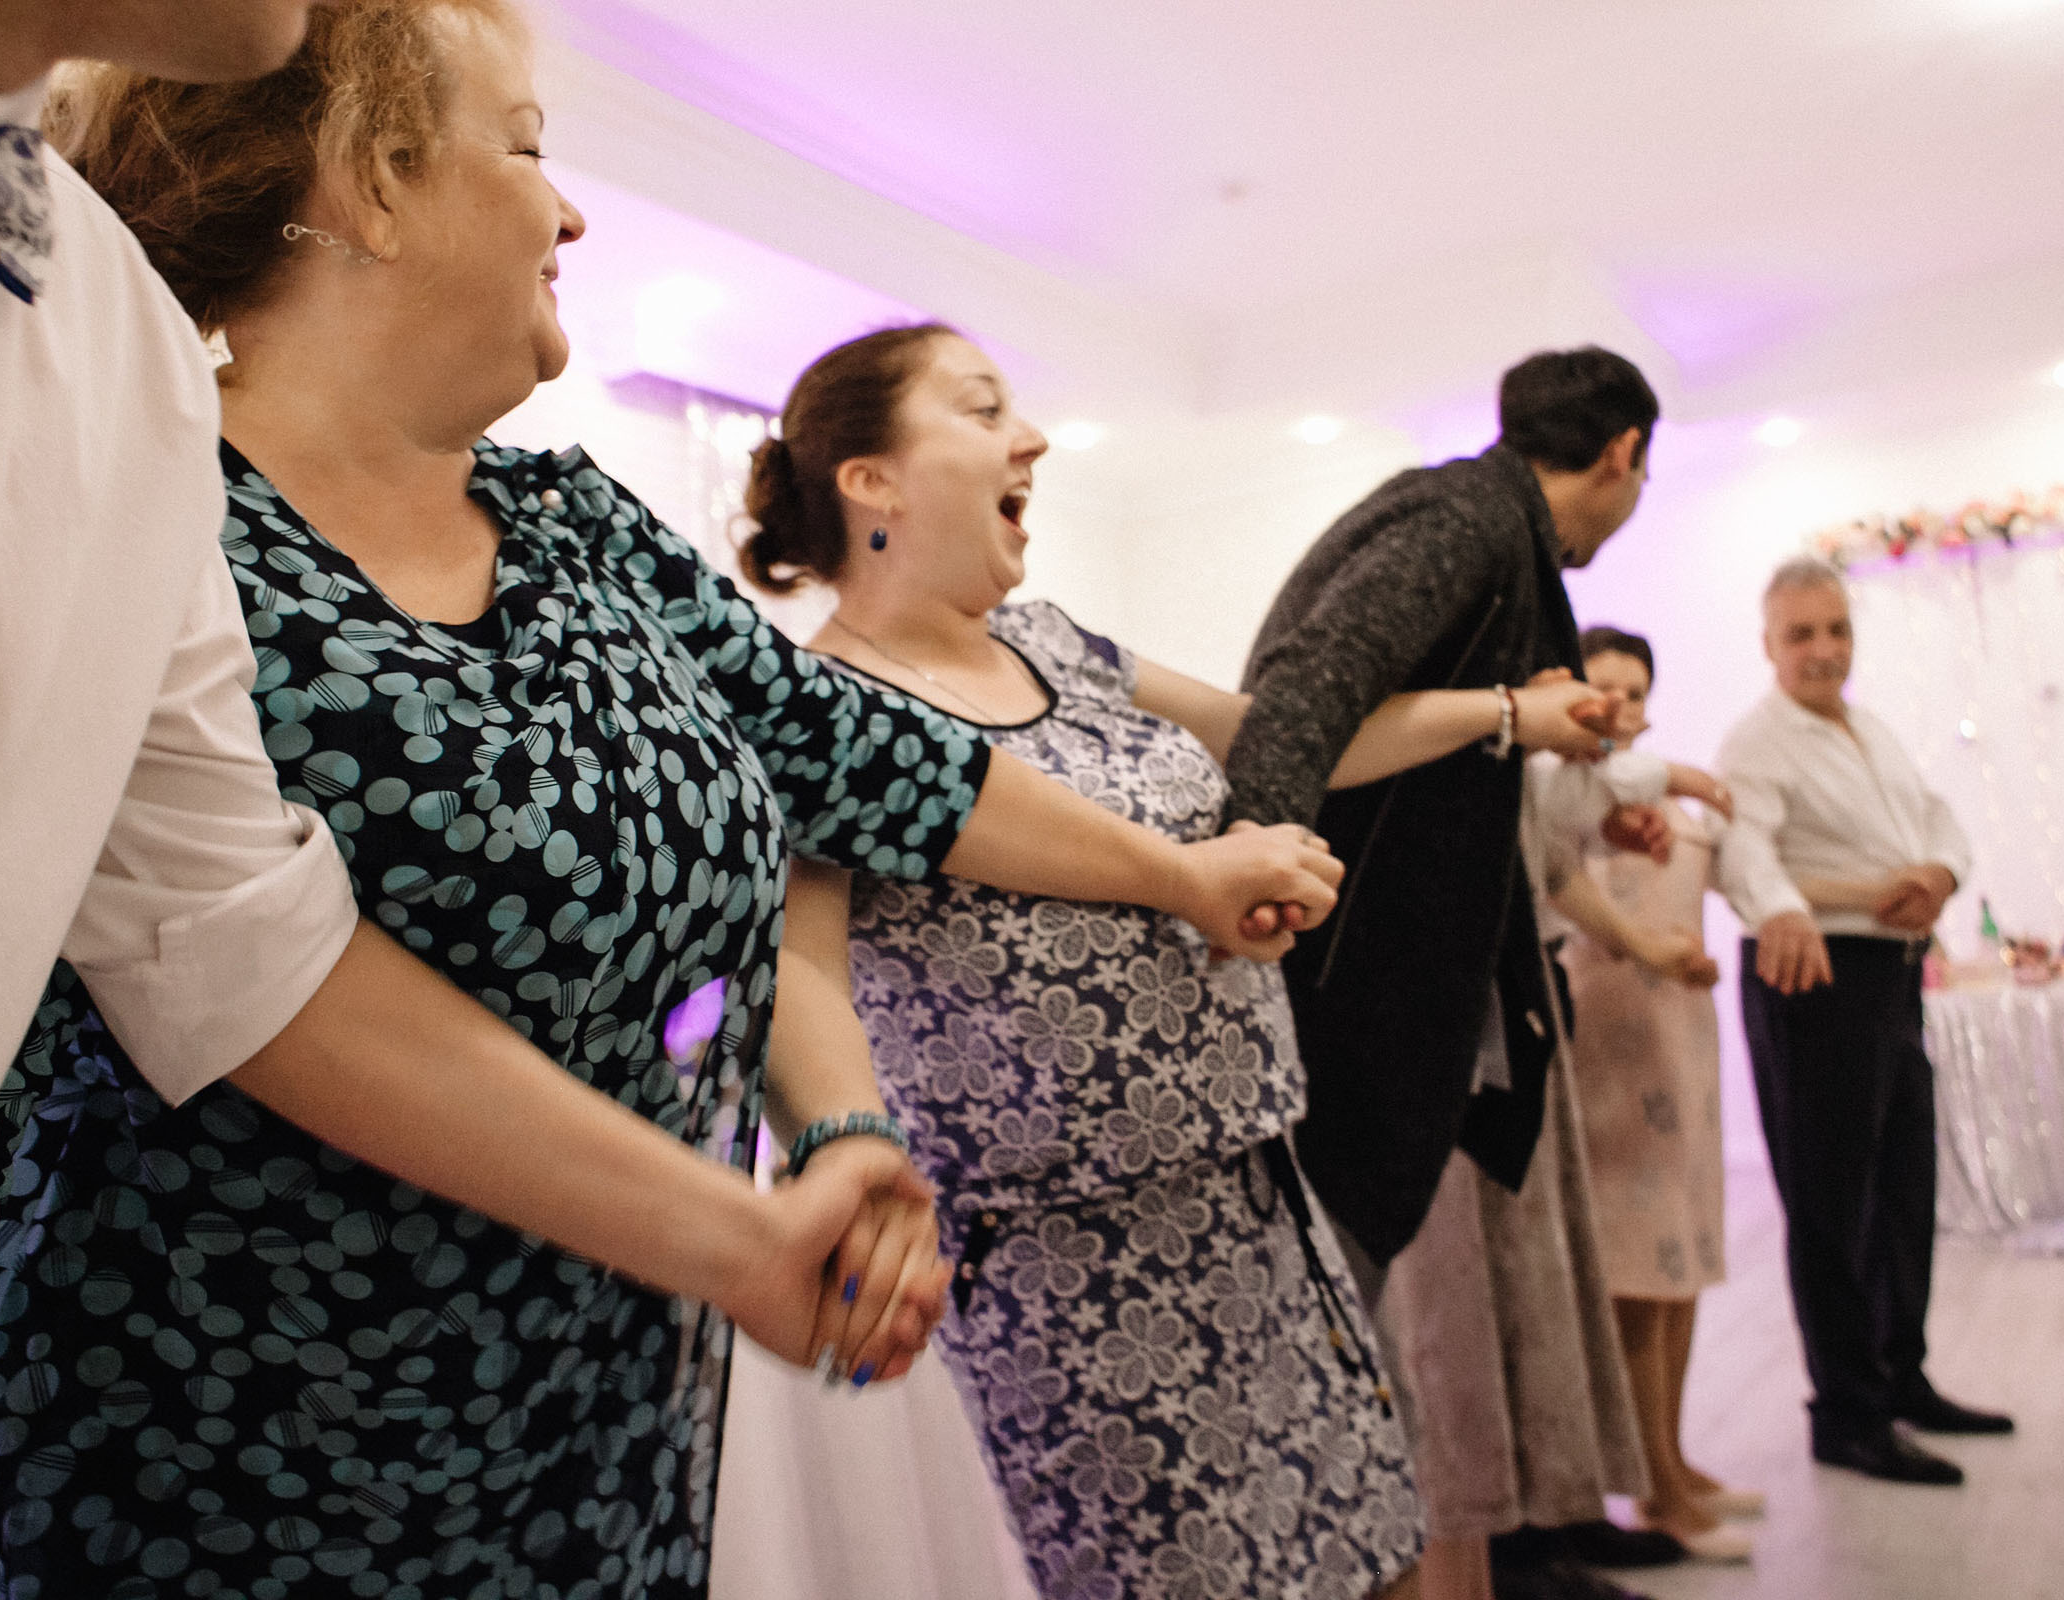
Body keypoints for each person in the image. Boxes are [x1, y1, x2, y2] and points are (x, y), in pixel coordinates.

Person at [0, 7, 1351, 1595]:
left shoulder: (575, 530)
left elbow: (866, 760)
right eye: (527, 147)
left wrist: (1171, 883)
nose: (569, 211)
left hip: (614, 1446)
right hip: (244, 1492)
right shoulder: (151, 509)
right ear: (373, 179)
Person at [743, 322, 1624, 1600]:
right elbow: (801, 967)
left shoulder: (1054, 644)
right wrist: (843, 1147)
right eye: (983, 410)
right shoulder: (824, 716)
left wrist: (1509, 713)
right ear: (871, 479)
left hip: (1262, 1200)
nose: (1031, 438)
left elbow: (1284, 733)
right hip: (1072, 1274)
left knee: (1378, 1556)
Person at [1221, 348, 1658, 1596]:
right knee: (1326, 1393)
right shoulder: (1466, 524)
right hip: (1342, 1010)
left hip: (1362, 1004)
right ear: (1624, 453)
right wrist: (1250, 903)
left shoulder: (1476, 527)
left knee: (1350, 1389)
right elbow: (1300, 697)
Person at [1718, 557, 2014, 1487]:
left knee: (1902, 1190)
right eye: (1802, 634)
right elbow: (1742, 852)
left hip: (1891, 976)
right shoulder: (1758, 743)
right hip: (1814, 975)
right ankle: (1846, 1413)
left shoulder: (1869, 728)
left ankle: (1900, 1377)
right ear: (1768, 645)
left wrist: (1939, 873)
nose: (1824, 649)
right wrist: (1792, 907)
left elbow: (1936, 819)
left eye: (1837, 629)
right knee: (1831, 1204)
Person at [1553, 626, 1764, 1559]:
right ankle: (1652, 1484)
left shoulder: (1673, 813)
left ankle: (1670, 1454)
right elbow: (1558, 898)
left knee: (1680, 1266)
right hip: (1609, 1050)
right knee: (1637, 1276)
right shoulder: (1568, 804)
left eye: (1636, 692)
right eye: (1605, 690)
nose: (1623, 708)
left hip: (1681, 1044)